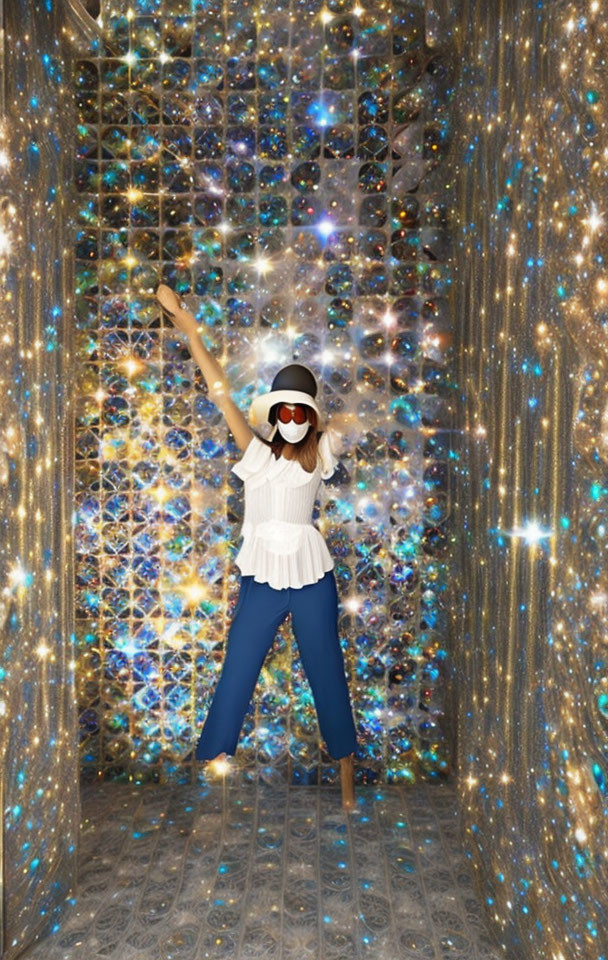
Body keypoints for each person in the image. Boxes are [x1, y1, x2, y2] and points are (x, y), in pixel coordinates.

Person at [155, 283, 358, 811]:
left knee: (326, 669)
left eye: (301, 413)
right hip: (262, 576)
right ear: (273, 415)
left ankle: (346, 776)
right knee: (238, 668)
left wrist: (329, 410)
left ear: (311, 417)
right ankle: (207, 772)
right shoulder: (256, 452)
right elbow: (219, 389)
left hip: (313, 578)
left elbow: (357, 415)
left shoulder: (323, 451)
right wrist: (190, 329)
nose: (291, 421)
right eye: (283, 413)